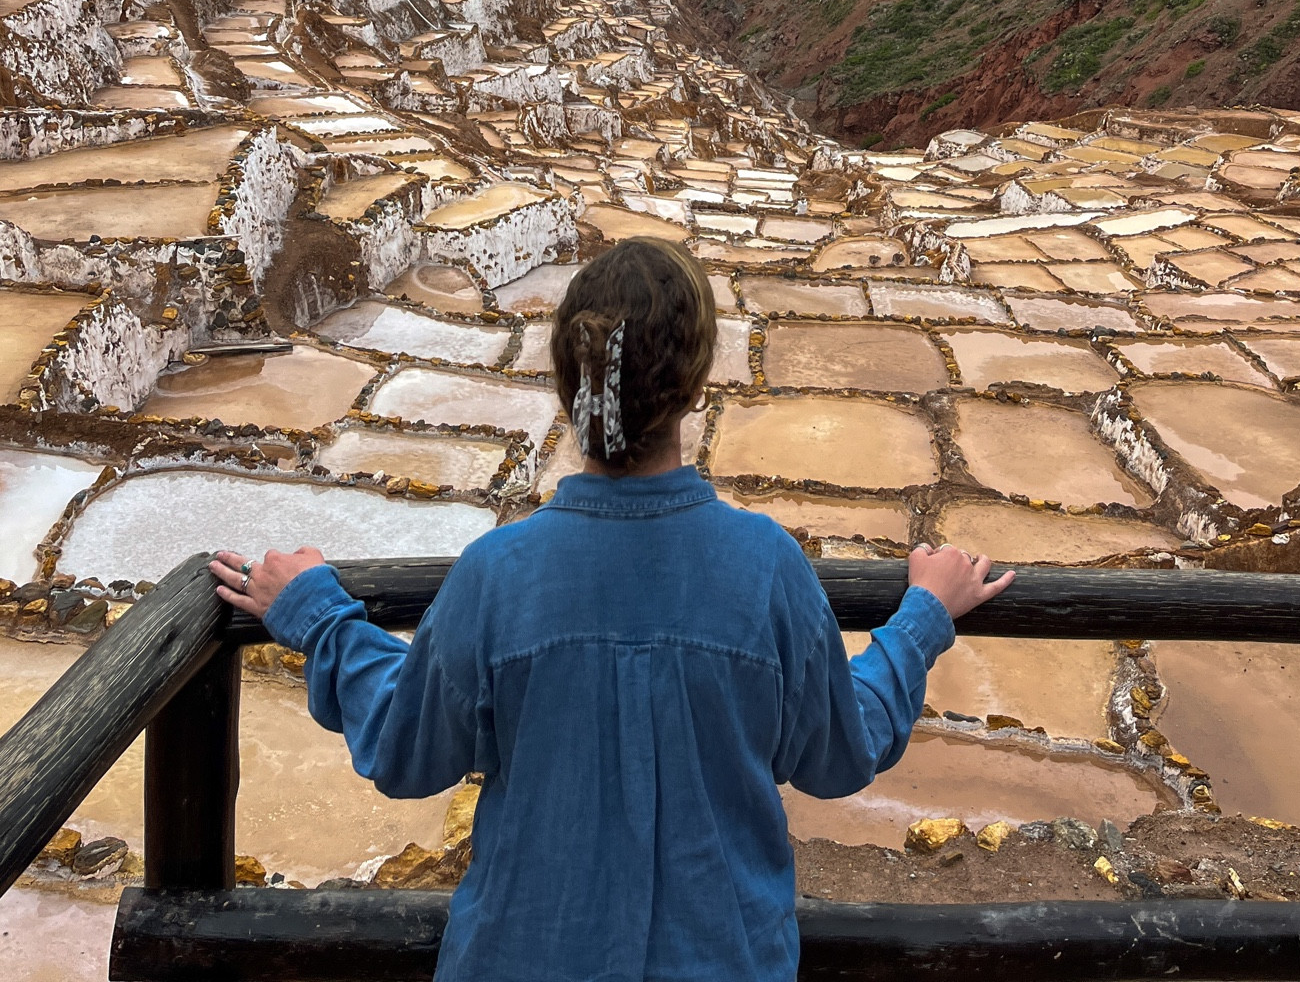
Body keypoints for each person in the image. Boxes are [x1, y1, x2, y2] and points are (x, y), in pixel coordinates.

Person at [212, 237, 1013, 982]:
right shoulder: (766, 568)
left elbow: (405, 745)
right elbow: (841, 752)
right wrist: (920, 621)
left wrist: (318, 613)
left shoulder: (499, 573)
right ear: (696, 388)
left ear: (568, 381)